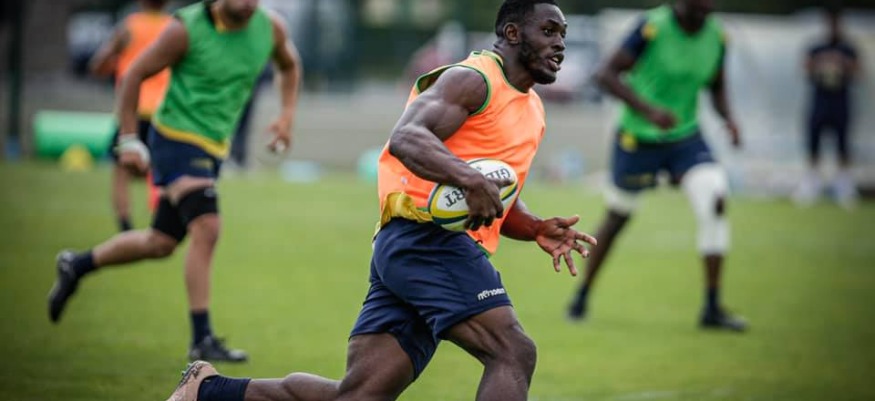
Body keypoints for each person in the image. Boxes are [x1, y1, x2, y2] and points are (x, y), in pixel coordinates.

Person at [164, 1, 597, 400]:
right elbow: (406, 137)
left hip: (420, 249)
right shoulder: (472, 79)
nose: (559, 43)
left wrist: (535, 227)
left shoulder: (533, 110)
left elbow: (491, 197)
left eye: (562, 34)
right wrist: (467, 178)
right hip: (426, 241)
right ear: (513, 33)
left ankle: (207, 390)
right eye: (548, 31)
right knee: (513, 351)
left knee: (360, 394)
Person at [48, 0, 302, 362]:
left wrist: (287, 116)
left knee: (160, 242)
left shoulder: (270, 28)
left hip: (214, 146)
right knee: (207, 227)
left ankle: (76, 265)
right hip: (174, 138)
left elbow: (289, 65)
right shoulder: (185, 29)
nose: (249, 4)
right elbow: (134, 74)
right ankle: (202, 338)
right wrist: (129, 139)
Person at [566, 0, 747, 331]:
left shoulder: (718, 36)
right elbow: (604, 74)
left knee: (715, 198)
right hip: (638, 138)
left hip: (685, 137)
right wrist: (649, 111)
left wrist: (729, 119)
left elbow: (717, 86)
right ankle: (582, 294)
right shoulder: (652, 27)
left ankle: (712, 307)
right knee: (618, 215)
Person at [90, 0, 172, 231]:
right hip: (164, 111)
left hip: (133, 111)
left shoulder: (129, 27)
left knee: (122, 171)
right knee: (161, 171)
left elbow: (98, 64)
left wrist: (112, 65)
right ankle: (160, 224)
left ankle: (125, 225)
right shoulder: (175, 27)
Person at [793, 8, 861, 209]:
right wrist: (821, 64)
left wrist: (842, 64)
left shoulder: (848, 49)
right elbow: (805, 68)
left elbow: (858, 72)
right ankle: (811, 184)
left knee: (843, 144)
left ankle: (844, 186)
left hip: (840, 101)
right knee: (814, 142)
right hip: (820, 100)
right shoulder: (816, 47)